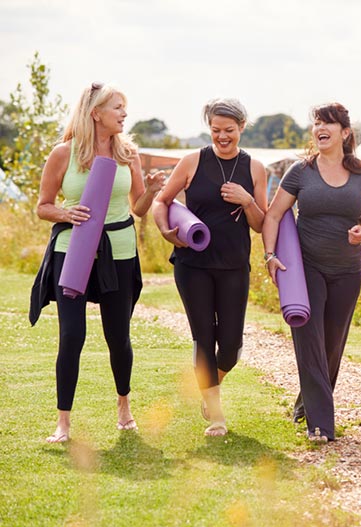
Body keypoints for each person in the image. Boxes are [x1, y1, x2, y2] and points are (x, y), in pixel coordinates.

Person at [30, 82, 165, 443]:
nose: (124, 114)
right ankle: (63, 422)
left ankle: (124, 406)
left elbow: (137, 208)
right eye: (118, 107)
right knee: (72, 336)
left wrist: (150, 191)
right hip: (72, 252)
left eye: (125, 107)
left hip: (119, 250)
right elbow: (42, 206)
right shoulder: (64, 154)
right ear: (96, 113)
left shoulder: (129, 154)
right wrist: (64, 211)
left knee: (118, 336)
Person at [262, 102, 361, 443]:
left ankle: (307, 402)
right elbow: (273, 215)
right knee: (310, 339)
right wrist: (270, 255)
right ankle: (321, 425)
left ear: (344, 133)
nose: (320, 127)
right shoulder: (301, 172)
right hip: (307, 268)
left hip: (347, 270)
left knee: (332, 344)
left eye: (327, 123)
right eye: (316, 122)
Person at [152, 98, 267, 437]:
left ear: (242, 127)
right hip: (193, 264)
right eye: (216, 130)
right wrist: (165, 231)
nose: (222, 137)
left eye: (229, 130)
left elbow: (261, 224)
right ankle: (216, 415)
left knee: (230, 346)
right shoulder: (191, 161)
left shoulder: (255, 168)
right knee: (204, 338)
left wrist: (247, 200)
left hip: (234, 265)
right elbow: (162, 201)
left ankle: (208, 385)